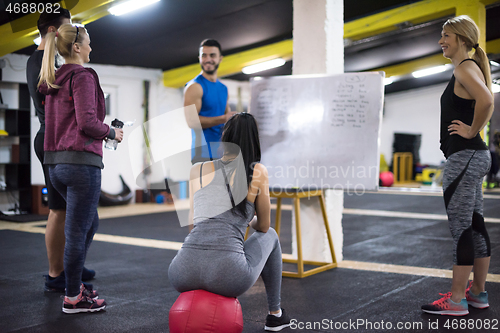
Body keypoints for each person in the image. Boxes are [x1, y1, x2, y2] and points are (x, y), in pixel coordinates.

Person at [168, 113, 291, 331]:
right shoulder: (258, 172)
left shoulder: (197, 169)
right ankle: (275, 314)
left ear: (225, 137)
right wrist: (247, 218)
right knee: (271, 235)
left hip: (181, 271)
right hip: (228, 277)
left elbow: (192, 224)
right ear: (254, 140)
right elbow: (263, 226)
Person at [38, 23, 123, 313]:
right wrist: (111, 133)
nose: (90, 47)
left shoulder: (53, 78)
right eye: (88, 42)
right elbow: (87, 123)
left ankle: (73, 283)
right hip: (80, 164)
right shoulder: (83, 76)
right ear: (76, 47)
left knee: (90, 223)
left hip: (56, 166)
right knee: (77, 231)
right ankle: (73, 296)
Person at [421, 15, 494, 316]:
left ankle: (455, 301)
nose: (441, 41)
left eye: (446, 35)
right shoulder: (468, 68)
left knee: (462, 229)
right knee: (475, 226)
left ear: (462, 39)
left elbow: (487, 100)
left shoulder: (465, 68)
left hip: (465, 156)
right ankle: (477, 293)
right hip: (474, 157)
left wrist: (472, 129)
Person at [26, 10, 97, 293]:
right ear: (56, 31)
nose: (73, 35)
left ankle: (70, 267)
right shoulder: (38, 62)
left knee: (76, 213)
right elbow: (53, 108)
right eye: (69, 29)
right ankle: (57, 273)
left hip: (60, 140)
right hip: (53, 140)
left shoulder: (57, 63)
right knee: (58, 210)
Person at [184, 39, 236, 164]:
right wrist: (224, 118)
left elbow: (226, 121)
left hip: (222, 153)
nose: (207, 59)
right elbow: (191, 122)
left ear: (220, 58)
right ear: (199, 58)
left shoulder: (223, 89)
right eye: (204, 55)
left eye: (212, 55)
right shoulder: (194, 86)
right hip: (203, 155)